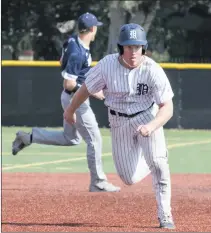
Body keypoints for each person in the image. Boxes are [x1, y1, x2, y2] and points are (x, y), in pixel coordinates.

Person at [63, 23, 176, 229]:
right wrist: (70, 110)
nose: (133, 51)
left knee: (159, 165)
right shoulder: (107, 65)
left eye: (137, 46)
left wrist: (151, 126)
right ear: (121, 47)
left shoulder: (152, 70)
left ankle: (165, 214)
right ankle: (154, 159)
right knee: (129, 178)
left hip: (146, 116)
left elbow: (167, 107)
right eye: (128, 46)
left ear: (144, 47)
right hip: (119, 121)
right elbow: (86, 89)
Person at [11, 12, 120, 193]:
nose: (96, 32)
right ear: (92, 29)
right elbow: (69, 84)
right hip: (74, 99)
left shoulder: (72, 42)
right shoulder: (78, 52)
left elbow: (61, 61)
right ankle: (98, 181)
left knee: (71, 139)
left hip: (71, 96)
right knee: (95, 140)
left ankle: (28, 137)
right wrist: (91, 91)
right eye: (96, 28)